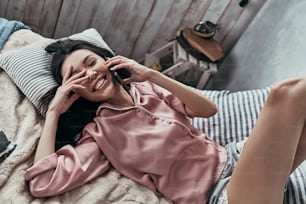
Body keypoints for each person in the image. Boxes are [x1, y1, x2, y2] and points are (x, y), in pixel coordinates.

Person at [24, 39, 306, 204]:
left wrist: (151, 75)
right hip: (219, 196)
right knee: (287, 94)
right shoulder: (98, 135)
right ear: (73, 91)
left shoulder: (148, 90)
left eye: (90, 62)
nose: (87, 74)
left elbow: (207, 109)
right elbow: (42, 181)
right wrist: (53, 113)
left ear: (107, 61)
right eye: (75, 76)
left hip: (234, 158)